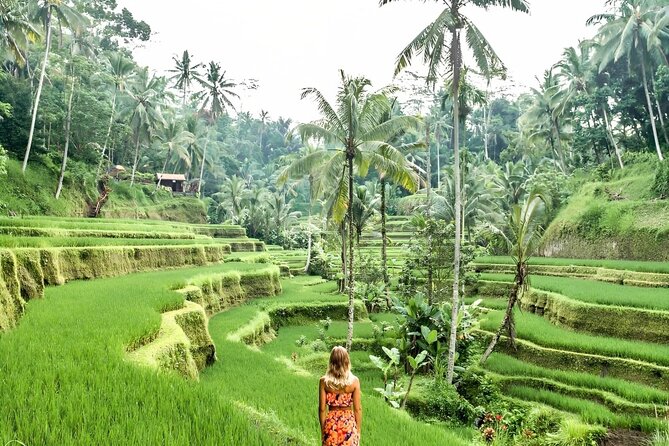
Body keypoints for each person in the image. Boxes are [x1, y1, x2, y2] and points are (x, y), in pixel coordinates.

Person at [319, 346, 362, 446]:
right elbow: (357, 409)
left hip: (331, 425)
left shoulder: (324, 382)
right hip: (348, 425)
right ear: (346, 361)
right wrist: (358, 431)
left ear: (331, 361)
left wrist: (323, 431)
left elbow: (322, 409)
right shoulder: (354, 381)